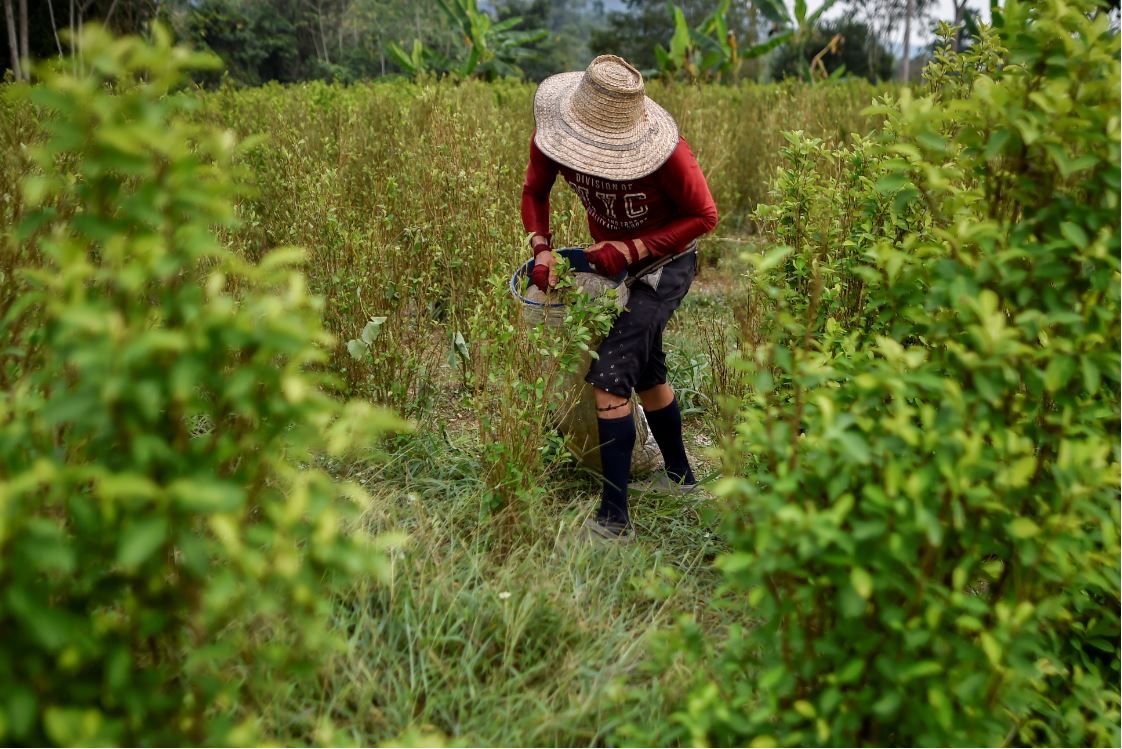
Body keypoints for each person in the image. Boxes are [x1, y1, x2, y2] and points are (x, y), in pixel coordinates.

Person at [521, 54, 718, 541]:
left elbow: (704, 216)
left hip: (665, 264)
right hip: (617, 262)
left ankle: (614, 520)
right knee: (646, 370)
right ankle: (681, 480)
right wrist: (542, 249)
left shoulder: (669, 154)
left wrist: (632, 247)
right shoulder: (556, 136)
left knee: (609, 375)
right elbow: (534, 192)